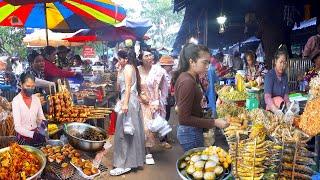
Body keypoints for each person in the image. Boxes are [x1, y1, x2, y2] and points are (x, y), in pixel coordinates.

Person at [174, 43, 229, 152]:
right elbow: (184, 119)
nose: (207, 66)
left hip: (192, 131)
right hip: (190, 133)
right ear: (191, 62)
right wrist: (214, 122)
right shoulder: (187, 82)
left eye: (208, 62)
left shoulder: (192, 77)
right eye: (204, 62)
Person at [110, 50, 145, 176]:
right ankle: (128, 162)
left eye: (119, 59)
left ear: (125, 59)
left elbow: (129, 86)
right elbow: (119, 88)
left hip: (129, 102)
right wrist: (119, 71)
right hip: (128, 101)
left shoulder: (129, 68)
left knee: (124, 134)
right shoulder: (126, 68)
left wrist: (125, 103)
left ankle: (124, 164)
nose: (118, 61)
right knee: (127, 132)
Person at [138, 50, 168, 165]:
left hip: (153, 103)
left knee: (150, 128)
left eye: (150, 55)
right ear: (141, 58)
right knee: (140, 128)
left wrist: (158, 101)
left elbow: (163, 87)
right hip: (140, 102)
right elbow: (133, 86)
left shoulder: (158, 71)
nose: (149, 57)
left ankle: (148, 151)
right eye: (146, 55)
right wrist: (140, 96)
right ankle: (143, 150)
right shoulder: (137, 70)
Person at [12, 73, 47, 146]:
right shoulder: (16, 101)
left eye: (33, 86)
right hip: (23, 139)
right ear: (21, 84)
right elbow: (17, 127)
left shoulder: (36, 99)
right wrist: (33, 135)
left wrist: (42, 130)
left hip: (37, 135)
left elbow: (42, 117)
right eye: (27, 86)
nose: (30, 89)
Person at [264, 49, 291, 116]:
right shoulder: (269, 76)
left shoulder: (285, 76)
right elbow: (267, 97)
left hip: (282, 108)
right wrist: (275, 110)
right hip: (271, 110)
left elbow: (286, 95)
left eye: (284, 63)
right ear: (275, 62)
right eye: (281, 62)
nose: (282, 65)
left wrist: (289, 106)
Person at [159, 55, 175, 148]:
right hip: (162, 99)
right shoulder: (161, 73)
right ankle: (162, 140)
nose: (172, 67)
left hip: (167, 99)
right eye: (170, 65)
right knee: (163, 119)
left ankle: (165, 137)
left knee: (166, 118)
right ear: (165, 65)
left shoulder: (168, 73)